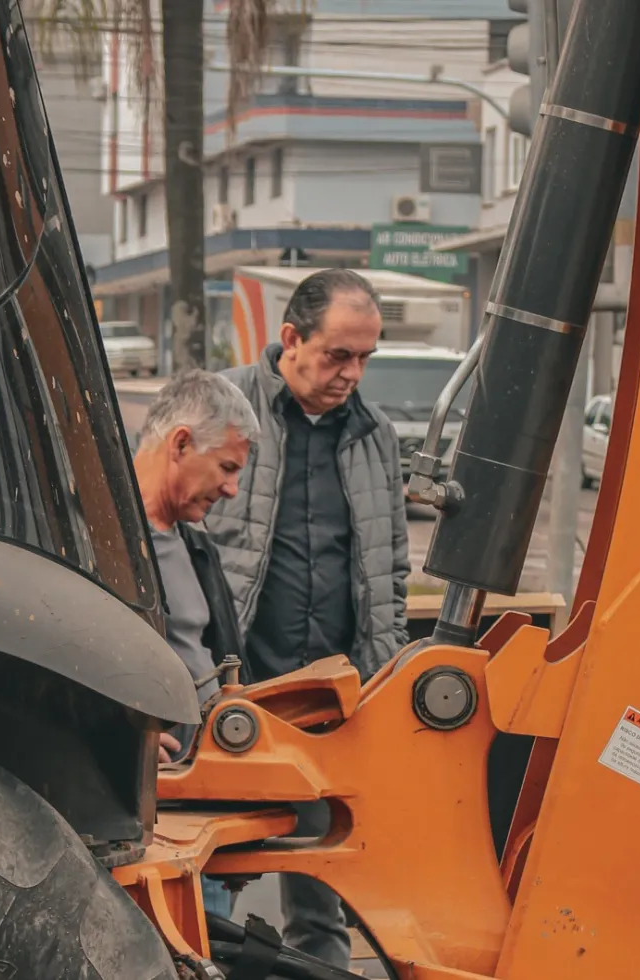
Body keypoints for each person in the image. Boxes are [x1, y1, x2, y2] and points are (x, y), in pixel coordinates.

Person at [205, 267, 411, 968]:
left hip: (335, 699)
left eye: (364, 359)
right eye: (338, 356)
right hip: (234, 690)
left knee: (323, 877)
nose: (352, 373)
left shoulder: (374, 436)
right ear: (290, 339)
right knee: (213, 864)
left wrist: (380, 675)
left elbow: (389, 569)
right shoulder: (221, 408)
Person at [130, 368, 259, 920]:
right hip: (140, 821)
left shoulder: (194, 546)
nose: (231, 488)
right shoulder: (94, 543)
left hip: (196, 807)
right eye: (227, 468)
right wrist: (121, 733)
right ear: (181, 443)